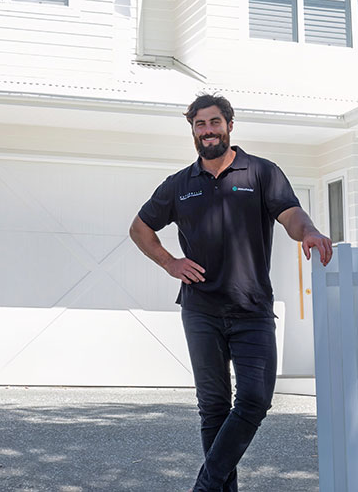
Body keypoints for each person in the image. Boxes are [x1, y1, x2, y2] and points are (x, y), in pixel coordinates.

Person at [129, 93, 332, 492]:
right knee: (214, 408)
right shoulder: (179, 185)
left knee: (255, 399)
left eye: (214, 122)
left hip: (251, 306)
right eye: (200, 125)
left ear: (229, 125)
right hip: (201, 309)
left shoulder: (260, 172)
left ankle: (205, 485)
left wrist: (308, 232)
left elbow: (290, 214)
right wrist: (171, 263)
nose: (207, 131)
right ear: (193, 131)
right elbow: (140, 229)